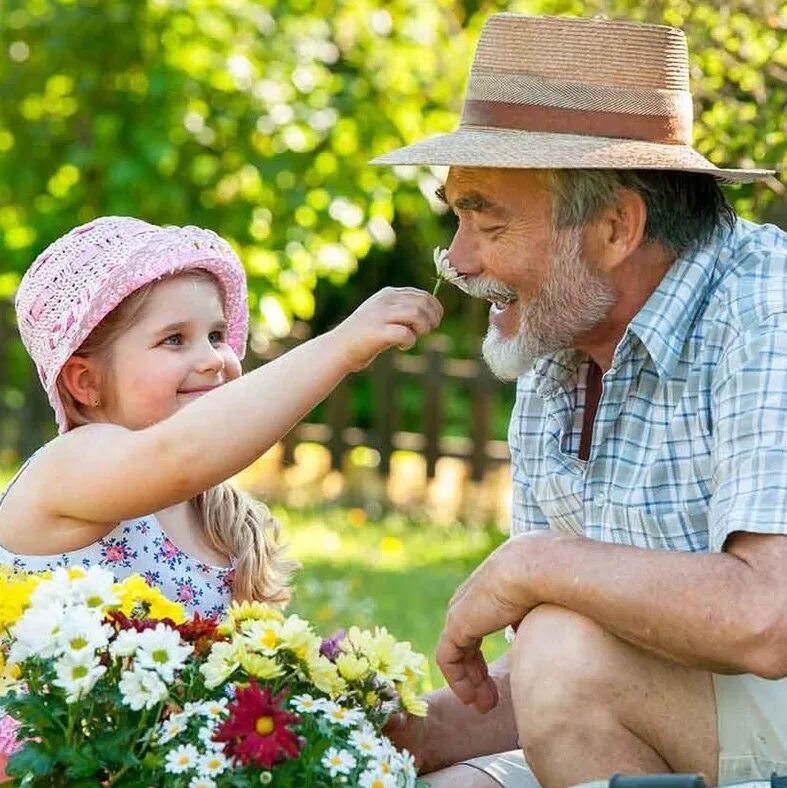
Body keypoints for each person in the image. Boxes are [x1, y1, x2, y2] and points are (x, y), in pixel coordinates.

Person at [374, 12, 787, 788]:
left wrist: (536, 564)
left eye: (484, 219)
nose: (458, 261)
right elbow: (571, 688)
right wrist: (365, 735)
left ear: (613, 227)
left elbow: (767, 618)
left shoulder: (767, 312)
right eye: (456, 215)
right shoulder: (558, 346)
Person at [0, 216, 442, 617]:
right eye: (174, 339)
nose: (213, 358)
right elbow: (180, 456)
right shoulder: (67, 467)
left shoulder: (209, 514)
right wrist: (341, 346)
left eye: (215, 335)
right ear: (86, 382)